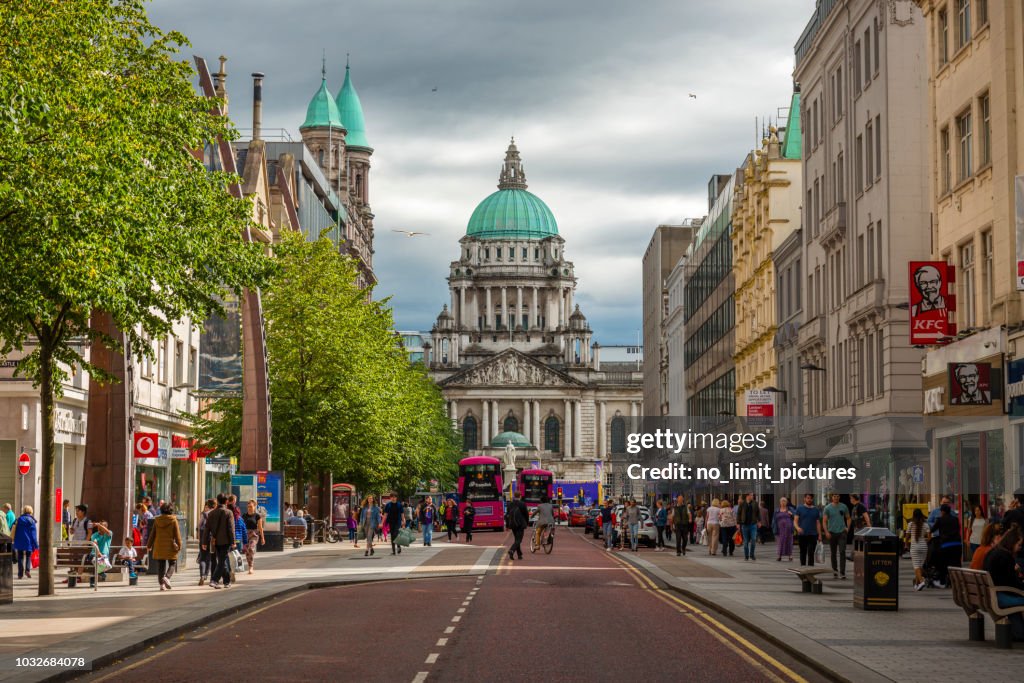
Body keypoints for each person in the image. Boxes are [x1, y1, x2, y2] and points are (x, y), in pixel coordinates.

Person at [982, 527, 1024, 640]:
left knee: (1016, 604)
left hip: (989, 595)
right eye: (1019, 545)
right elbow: (1012, 585)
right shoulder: (1005, 556)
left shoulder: (993, 552)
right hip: (999, 596)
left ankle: (1018, 633)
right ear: (1011, 543)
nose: (1019, 548)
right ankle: (1018, 633)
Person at [203, 493, 236, 589]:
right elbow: (231, 528)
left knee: (222, 560)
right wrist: (233, 541)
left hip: (215, 541)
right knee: (222, 561)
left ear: (217, 501)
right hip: (225, 541)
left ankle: (226, 581)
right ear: (226, 501)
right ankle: (214, 580)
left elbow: (207, 528)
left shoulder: (211, 513)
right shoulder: (229, 513)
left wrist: (204, 542)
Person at [147, 502, 182, 591]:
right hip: (170, 545)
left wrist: (149, 545)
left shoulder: (157, 520)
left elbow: (152, 534)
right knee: (173, 563)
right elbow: (177, 535)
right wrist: (179, 545)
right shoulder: (173, 520)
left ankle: (162, 585)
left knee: (161, 566)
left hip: (159, 545)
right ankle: (167, 577)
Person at [930, 504, 962, 588]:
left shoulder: (940, 520)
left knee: (943, 563)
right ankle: (957, 581)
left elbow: (932, 530)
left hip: (946, 545)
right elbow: (958, 529)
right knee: (956, 563)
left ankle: (942, 581)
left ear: (943, 511)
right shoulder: (955, 519)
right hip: (957, 545)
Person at [823, 493, 851, 579]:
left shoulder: (844, 506)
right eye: (834, 496)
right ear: (831, 497)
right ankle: (835, 570)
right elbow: (824, 521)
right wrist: (826, 532)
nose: (836, 498)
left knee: (842, 552)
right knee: (833, 553)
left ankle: (842, 572)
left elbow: (848, 518)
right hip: (832, 532)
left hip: (842, 532)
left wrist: (847, 528)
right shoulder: (827, 508)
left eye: (838, 496)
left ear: (839, 497)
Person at [794, 493, 822, 567]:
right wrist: (797, 528)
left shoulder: (816, 510)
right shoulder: (799, 508)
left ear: (812, 499)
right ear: (804, 499)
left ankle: (810, 569)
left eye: (810, 498)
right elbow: (795, 521)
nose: (809, 499)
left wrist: (819, 535)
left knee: (811, 552)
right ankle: (803, 568)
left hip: (813, 534)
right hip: (802, 534)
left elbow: (818, 523)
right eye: (808, 498)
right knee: (803, 552)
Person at [907, 508, 930, 591]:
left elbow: (907, 537)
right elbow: (929, 537)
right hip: (924, 547)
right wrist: (924, 540)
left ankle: (921, 581)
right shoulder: (926, 525)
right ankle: (917, 585)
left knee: (916, 566)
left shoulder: (910, 524)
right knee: (920, 566)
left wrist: (906, 544)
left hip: (914, 547)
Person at [12, 505, 38, 580]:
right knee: (28, 556)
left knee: (20, 557)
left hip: (19, 540)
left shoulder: (18, 519)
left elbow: (13, 528)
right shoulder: (32, 521)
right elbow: (33, 534)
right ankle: (27, 570)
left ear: (24, 511)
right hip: (29, 541)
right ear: (31, 512)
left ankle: (20, 573)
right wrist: (36, 545)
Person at [242, 499, 265, 573]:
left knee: (251, 548)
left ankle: (251, 566)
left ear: (254, 507)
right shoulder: (244, 515)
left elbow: (260, 528)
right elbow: (242, 526)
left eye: (251, 506)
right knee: (247, 551)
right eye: (248, 506)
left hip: (254, 535)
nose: (249, 508)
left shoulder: (257, 516)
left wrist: (262, 538)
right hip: (245, 534)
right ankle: (249, 566)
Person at [506, 492, 529, 560]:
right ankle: (511, 550)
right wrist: (526, 523)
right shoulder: (522, 504)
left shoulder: (510, 504)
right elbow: (526, 514)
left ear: (514, 496)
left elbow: (507, 515)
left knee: (517, 539)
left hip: (513, 524)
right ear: (520, 496)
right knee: (519, 540)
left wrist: (507, 525)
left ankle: (519, 555)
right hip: (520, 524)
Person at [737, 492, 759, 561]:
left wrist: (759, 521)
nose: (752, 496)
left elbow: (758, 512)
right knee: (746, 541)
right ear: (747, 496)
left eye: (753, 495)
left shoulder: (755, 503)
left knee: (753, 539)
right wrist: (738, 523)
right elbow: (739, 513)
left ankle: (752, 555)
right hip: (745, 525)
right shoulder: (742, 504)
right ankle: (746, 556)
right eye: (751, 495)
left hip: (753, 524)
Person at [197, 499, 214, 585]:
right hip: (213, 539)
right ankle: (207, 575)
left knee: (203, 557)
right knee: (210, 558)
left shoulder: (204, 514)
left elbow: (199, 526)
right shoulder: (216, 514)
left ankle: (202, 576)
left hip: (204, 538)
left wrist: (200, 538)